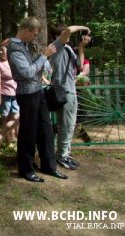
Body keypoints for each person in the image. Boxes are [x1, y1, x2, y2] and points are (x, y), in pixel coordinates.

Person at [7, 16, 68, 183]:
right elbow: (26, 73)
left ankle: (49, 166)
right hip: (27, 95)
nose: (35, 37)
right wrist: (44, 56)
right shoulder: (14, 48)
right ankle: (26, 169)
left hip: (38, 92)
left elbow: (32, 69)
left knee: (45, 130)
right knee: (28, 132)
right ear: (25, 30)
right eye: (33, 34)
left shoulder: (24, 46)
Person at [49, 24, 90, 170]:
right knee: (67, 125)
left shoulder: (67, 48)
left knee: (68, 125)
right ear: (58, 35)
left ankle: (64, 153)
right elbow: (68, 31)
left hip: (71, 90)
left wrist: (81, 47)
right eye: (65, 34)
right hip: (65, 91)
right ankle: (62, 155)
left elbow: (79, 65)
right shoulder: (56, 46)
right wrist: (83, 27)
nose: (69, 36)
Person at [0, 39, 19, 147]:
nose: (1, 52)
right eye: (0, 50)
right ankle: (7, 142)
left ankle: (14, 139)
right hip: (5, 95)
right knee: (6, 118)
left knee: (16, 118)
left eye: (3, 50)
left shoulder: (13, 61)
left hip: (16, 95)